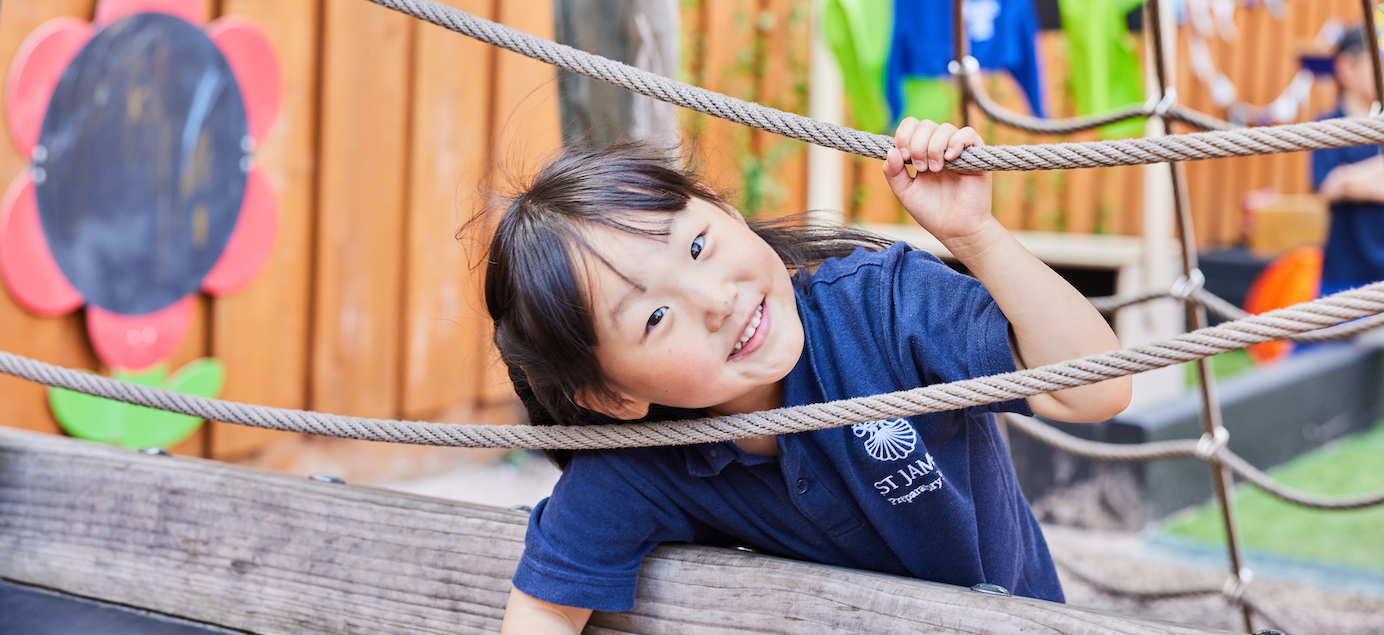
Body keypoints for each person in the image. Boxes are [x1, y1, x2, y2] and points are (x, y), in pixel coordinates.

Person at [486, 120, 1132, 633]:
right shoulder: (639, 464)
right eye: (655, 317)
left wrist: (976, 235)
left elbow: (1095, 389)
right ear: (612, 396)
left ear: (726, 210)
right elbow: (545, 608)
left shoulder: (883, 307)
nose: (716, 301)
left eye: (697, 247)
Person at [1313, 26, 1384, 297]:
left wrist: (1348, 178)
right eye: (1377, 61)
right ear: (1346, 67)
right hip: (1343, 273)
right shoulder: (1327, 125)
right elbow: (1328, 186)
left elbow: (1342, 181)